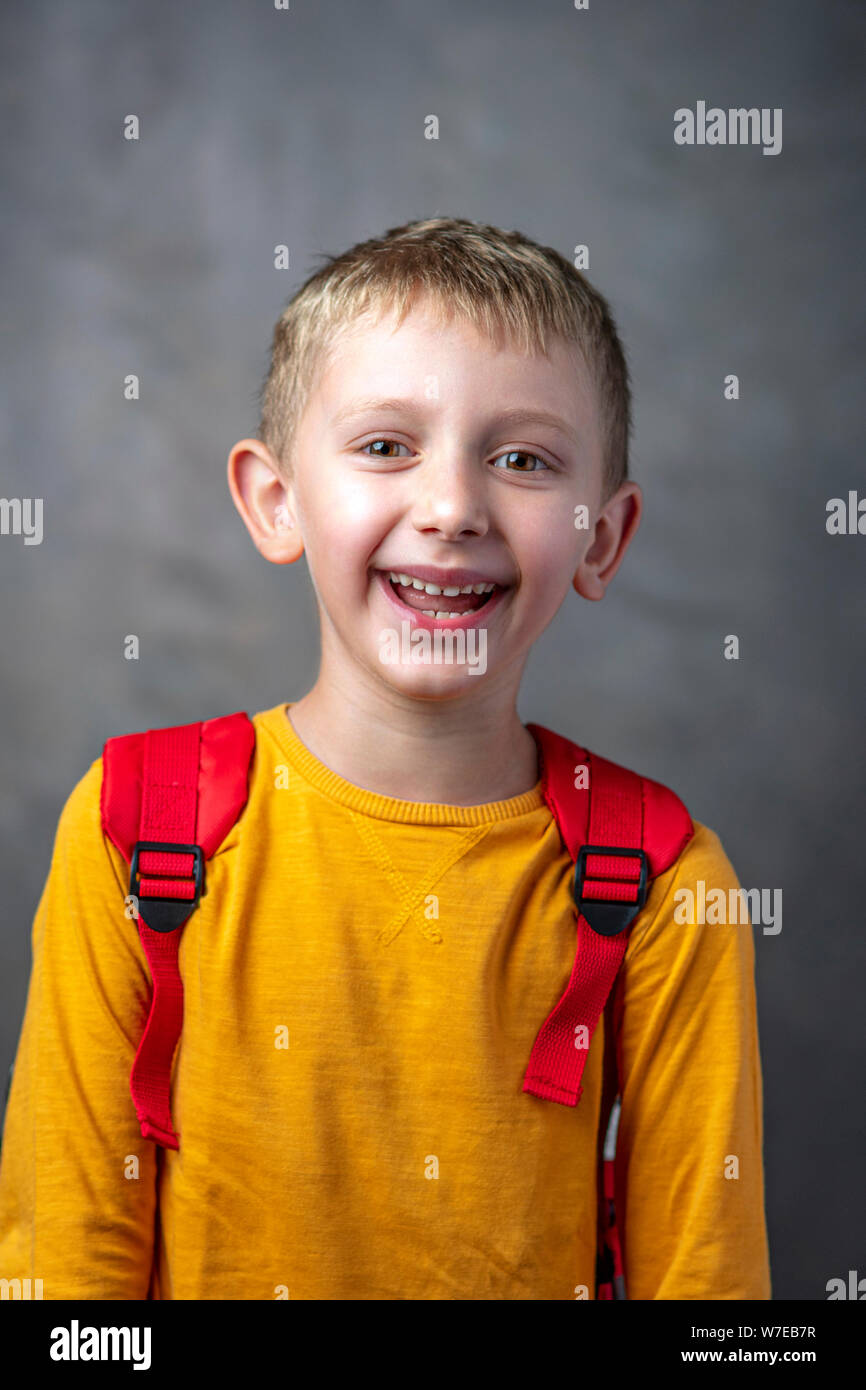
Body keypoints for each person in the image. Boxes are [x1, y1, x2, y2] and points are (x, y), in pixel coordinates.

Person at [0, 216, 771, 1299]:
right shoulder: (135, 824)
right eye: (383, 445)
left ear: (601, 535)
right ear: (276, 501)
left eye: (521, 458)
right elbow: (63, 1272)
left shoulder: (669, 884)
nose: (452, 507)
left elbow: (708, 1298)